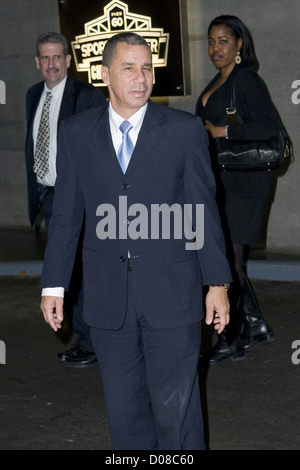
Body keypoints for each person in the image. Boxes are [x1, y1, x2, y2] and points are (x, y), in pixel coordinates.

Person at [40, 32, 232, 450]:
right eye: (129, 68)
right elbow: (66, 216)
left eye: (147, 68)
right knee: (125, 415)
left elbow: (203, 212)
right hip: (109, 300)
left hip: (173, 294)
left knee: (175, 414)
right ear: (105, 74)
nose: (141, 78)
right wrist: (53, 285)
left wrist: (217, 284)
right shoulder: (75, 133)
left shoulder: (183, 132)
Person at [195, 15, 277, 364]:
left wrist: (223, 132)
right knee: (232, 259)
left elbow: (268, 126)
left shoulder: (245, 81)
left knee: (226, 261)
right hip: (225, 181)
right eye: (211, 41)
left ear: (240, 44)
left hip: (243, 183)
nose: (216, 48)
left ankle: (230, 337)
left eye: (224, 41)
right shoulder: (220, 79)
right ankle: (256, 325)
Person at [25, 32, 107, 367]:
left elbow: (100, 150)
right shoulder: (33, 95)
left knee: (82, 273)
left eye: (58, 57)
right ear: (37, 62)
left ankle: (91, 342)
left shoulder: (87, 97)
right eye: (45, 58)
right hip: (49, 195)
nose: (51, 64)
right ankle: (87, 338)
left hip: (79, 199)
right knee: (65, 270)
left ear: (69, 61)